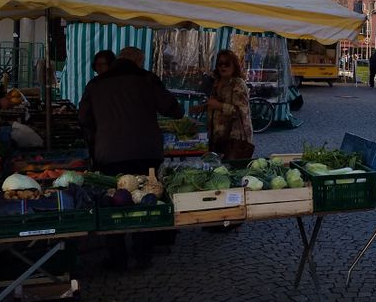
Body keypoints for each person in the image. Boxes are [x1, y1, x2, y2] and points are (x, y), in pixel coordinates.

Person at [78, 46, 183, 269]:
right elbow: (174, 110)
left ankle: (117, 256)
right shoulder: (147, 79)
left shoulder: (96, 84)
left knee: (113, 203)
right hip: (146, 153)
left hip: (109, 154)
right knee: (146, 200)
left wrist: (97, 142)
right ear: (138, 61)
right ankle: (142, 255)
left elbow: (84, 118)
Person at [196, 49, 255, 162]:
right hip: (217, 139)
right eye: (220, 63)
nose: (223, 67)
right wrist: (203, 107)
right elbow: (215, 104)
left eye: (227, 64)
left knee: (229, 173)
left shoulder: (238, 84)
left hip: (235, 139)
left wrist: (218, 105)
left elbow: (241, 112)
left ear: (234, 65)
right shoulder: (217, 82)